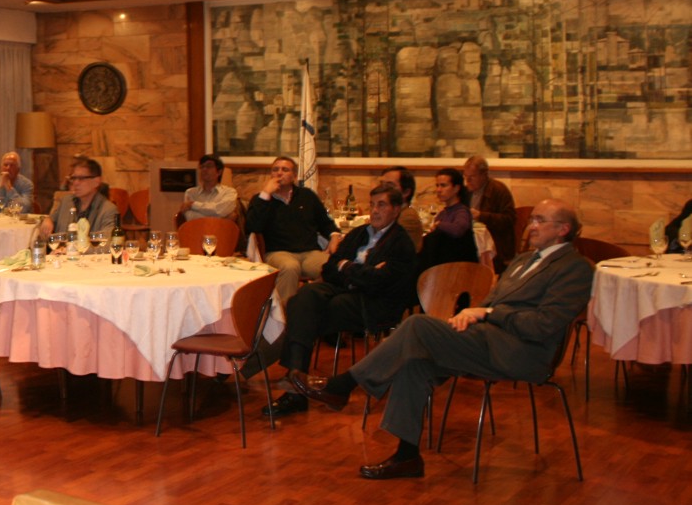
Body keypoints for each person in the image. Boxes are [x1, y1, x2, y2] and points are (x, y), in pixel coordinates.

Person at [292, 198, 594, 480]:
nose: (531, 226)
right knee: (414, 361)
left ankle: (343, 385)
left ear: (563, 229)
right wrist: (472, 315)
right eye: (532, 220)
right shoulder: (524, 260)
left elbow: (543, 325)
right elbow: (492, 302)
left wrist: (487, 313)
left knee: (417, 325)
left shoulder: (575, 268)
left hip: (523, 352)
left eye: (540, 220)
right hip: (486, 339)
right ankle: (407, 457)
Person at [258, 184, 416, 418]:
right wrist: (358, 270)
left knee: (310, 314)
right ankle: (296, 380)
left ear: (396, 209)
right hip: (343, 290)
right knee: (302, 298)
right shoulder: (359, 233)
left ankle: (294, 388)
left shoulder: (401, 244)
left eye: (381, 205)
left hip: (374, 303)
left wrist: (347, 267)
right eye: (372, 204)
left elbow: (379, 283)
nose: (374, 211)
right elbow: (329, 268)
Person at [245, 156, 339, 304]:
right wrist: (266, 194)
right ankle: (285, 312)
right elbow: (251, 227)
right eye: (275, 170)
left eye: (285, 170)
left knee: (334, 265)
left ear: (294, 176)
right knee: (290, 267)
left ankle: (324, 307)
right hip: (278, 253)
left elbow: (326, 223)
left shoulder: (307, 196)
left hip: (310, 253)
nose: (279, 173)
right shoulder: (261, 199)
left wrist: (334, 236)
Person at [38, 156, 121, 239]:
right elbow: (51, 220)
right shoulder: (66, 201)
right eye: (73, 178)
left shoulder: (108, 210)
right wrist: (48, 220)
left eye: (81, 178)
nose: (76, 183)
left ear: (96, 181)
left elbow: (108, 240)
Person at [417, 166, 478, 273]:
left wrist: (439, 225)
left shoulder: (462, 211)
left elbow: (458, 229)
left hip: (457, 269)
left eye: (443, 185)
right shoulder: (443, 213)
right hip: (442, 267)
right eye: (437, 185)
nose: (438, 190)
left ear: (456, 188)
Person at [463, 156, 517, 272]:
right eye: (466, 176)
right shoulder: (466, 192)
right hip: (471, 241)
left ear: (484, 175)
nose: (468, 181)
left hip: (496, 245)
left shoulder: (498, 190)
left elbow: (509, 219)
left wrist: (481, 216)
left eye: (472, 177)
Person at [179, 153, 238, 222]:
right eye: (202, 167)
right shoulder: (190, 192)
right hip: (197, 228)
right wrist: (221, 219)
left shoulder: (229, 192)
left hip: (220, 229)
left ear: (219, 172)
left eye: (209, 166)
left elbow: (221, 211)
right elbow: (191, 217)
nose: (204, 169)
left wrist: (193, 204)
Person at [379, 165, 424, 251]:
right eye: (381, 185)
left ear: (406, 192)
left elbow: (390, 249)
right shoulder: (387, 213)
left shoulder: (407, 217)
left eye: (390, 186)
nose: (382, 190)